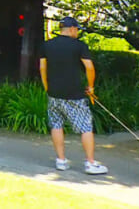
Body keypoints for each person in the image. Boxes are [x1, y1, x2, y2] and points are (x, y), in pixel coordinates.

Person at [39, 17, 108, 175]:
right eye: (77, 29)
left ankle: (61, 161)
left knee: (56, 124)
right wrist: (91, 86)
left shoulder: (47, 45)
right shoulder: (79, 46)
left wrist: (46, 86)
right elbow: (89, 67)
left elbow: (42, 67)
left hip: (54, 92)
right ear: (71, 29)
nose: (77, 32)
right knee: (85, 127)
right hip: (74, 94)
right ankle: (90, 163)